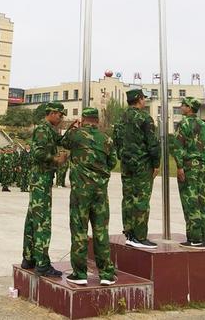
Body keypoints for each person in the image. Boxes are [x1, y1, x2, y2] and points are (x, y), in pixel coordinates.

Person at [61, 107, 118, 285]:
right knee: (101, 231)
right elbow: (113, 162)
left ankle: (80, 274)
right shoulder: (106, 139)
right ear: (98, 120)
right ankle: (106, 274)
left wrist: (73, 127)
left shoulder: (76, 135)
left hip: (81, 192)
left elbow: (62, 142)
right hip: (100, 192)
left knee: (79, 230)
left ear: (83, 119)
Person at [21, 101, 68, 277]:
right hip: (40, 179)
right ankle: (42, 263)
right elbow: (37, 153)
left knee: (32, 219)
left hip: (41, 179)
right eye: (60, 115)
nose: (62, 118)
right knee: (42, 221)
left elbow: (61, 140)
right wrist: (56, 159)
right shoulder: (43, 129)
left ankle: (29, 258)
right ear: (53, 113)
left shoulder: (50, 130)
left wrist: (72, 128)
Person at [113, 88, 160, 249]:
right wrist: (156, 164)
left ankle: (129, 233)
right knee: (141, 199)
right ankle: (139, 237)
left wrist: (123, 156)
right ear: (139, 99)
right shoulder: (145, 118)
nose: (144, 101)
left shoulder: (121, 119)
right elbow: (153, 144)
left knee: (128, 198)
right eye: (143, 98)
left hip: (127, 165)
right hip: (142, 165)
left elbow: (116, 141)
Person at [173, 97, 205, 248]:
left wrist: (180, 166)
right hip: (201, 167)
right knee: (202, 201)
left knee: (190, 202)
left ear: (189, 108)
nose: (181, 107)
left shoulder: (184, 123)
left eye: (183, 105)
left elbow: (178, 146)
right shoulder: (204, 125)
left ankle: (194, 238)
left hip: (189, 167)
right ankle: (203, 236)